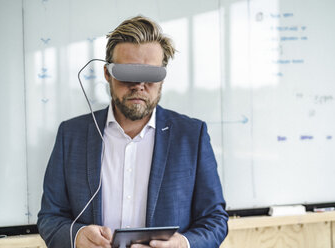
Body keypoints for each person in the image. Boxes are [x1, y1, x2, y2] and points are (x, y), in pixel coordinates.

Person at [37, 15, 228, 248]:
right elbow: (49, 217)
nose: (139, 85)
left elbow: (215, 221)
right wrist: (77, 237)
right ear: (108, 73)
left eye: (150, 75)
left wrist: (183, 244)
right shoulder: (71, 135)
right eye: (128, 73)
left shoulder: (192, 136)